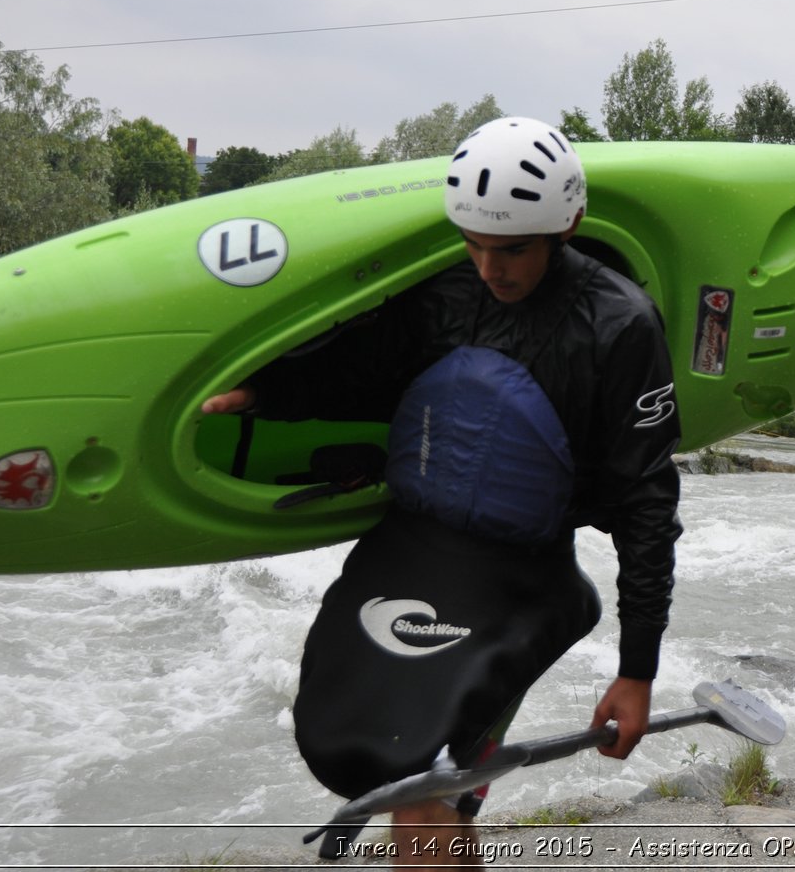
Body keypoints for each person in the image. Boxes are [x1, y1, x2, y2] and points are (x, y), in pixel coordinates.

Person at [201, 117, 682, 865]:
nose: (491, 268)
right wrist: (267, 390)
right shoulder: (449, 292)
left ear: (568, 224)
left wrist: (637, 670)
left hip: (520, 576)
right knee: (350, 738)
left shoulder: (619, 325)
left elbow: (648, 505)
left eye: (513, 247)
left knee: (418, 783)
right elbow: (365, 363)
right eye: (474, 243)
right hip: (411, 549)